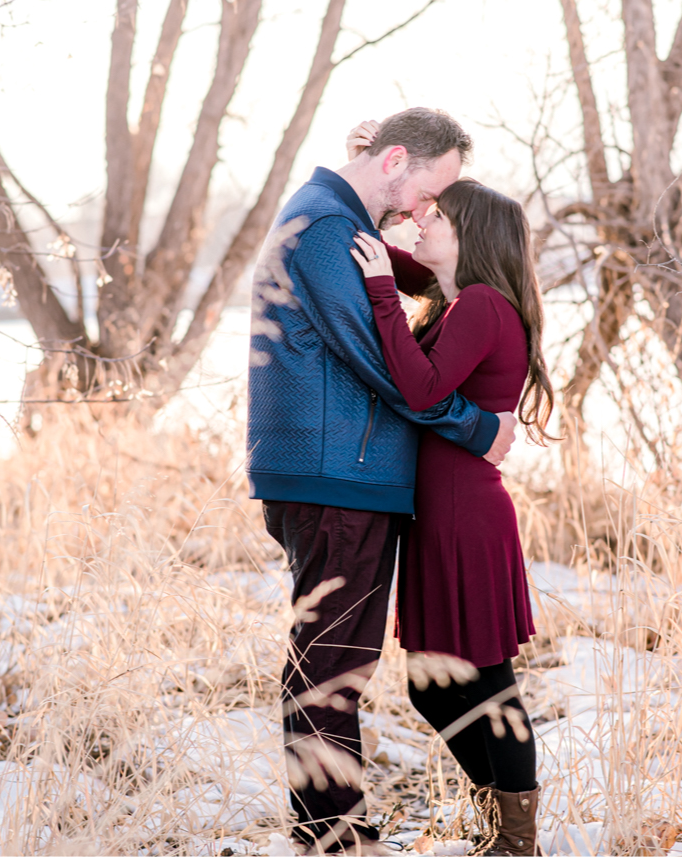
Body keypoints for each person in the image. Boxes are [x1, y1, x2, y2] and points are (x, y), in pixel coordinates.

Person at [247, 108, 518, 855]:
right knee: (330, 670)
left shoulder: (332, 217)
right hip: (340, 479)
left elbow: (415, 289)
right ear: (396, 159)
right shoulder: (329, 229)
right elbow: (384, 365)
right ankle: (337, 841)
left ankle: (332, 833)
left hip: (339, 474)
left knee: (331, 665)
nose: (422, 210)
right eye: (430, 188)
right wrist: (482, 430)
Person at [350, 176, 550, 857]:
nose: (422, 224)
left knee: (488, 683)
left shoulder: (483, 306)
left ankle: (516, 844)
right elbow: (398, 257)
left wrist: (381, 291)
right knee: (433, 688)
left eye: (437, 217)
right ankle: (500, 823)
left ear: (472, 236)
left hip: (465, 516)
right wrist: (380, 192)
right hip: (440, 516)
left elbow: (422, 386)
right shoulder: (456, 298)